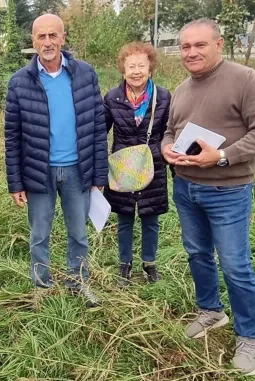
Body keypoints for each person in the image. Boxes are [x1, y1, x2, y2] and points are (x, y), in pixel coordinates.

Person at [161, 19, 255, 376]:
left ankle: (249, 338)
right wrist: (167, 147)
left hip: (227, 190)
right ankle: (210, 311)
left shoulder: (244, 79)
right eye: (185, 47)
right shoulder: (182, 89)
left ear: (219, 44)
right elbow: (171, 130)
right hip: (185, 186)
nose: (192, 52)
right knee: (197, 253)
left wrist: (222, 156)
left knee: (235, 264)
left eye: (200, 45)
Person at [4, 14, 108, 308]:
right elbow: (12, 136)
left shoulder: (85, 74)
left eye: (53, 35)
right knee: (39, 234)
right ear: (33, 41)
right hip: (39, 171)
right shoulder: (20, 82)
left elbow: (98, 127)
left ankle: (78, 282)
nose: (47, 42)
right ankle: (42, 287)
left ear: (63, 37)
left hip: (78, 169)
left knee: (78, 233)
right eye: (41, 37)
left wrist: (99, 174)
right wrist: (15, 182)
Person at [103, 42, 172, 286]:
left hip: (153, 165)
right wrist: (100, 171)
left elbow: (169, 133)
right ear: (123, 69)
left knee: (151, 218)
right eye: (131, 66)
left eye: (141, 65)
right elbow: (100, 131)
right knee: (124, 217)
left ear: (150, 68)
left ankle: (149, 264)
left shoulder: (163, 96)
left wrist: (172, 165)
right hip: (122, 165)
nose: (136, 71)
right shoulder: (112, 97)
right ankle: (124, 264)